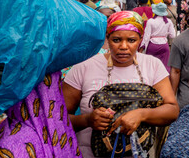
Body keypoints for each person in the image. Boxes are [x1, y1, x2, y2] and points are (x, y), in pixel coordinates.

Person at [62, 11, 180, 158]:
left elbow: (172, 110)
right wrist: (87, 120)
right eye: (116, 40)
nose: (123, 46)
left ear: (140, 40)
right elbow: (58, 118)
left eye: (131, 40)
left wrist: (142, 114)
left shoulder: (152, 65)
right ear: (108, 38)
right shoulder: (83, 67)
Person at [142, 2, 176, 72]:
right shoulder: (168, 21)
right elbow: (173, 35)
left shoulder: (150, 21)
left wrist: (142, 47)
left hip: (152, 45)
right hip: (164, 46)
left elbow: (146, 37)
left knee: (150, 66)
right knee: (165, 68)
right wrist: (165, 34)